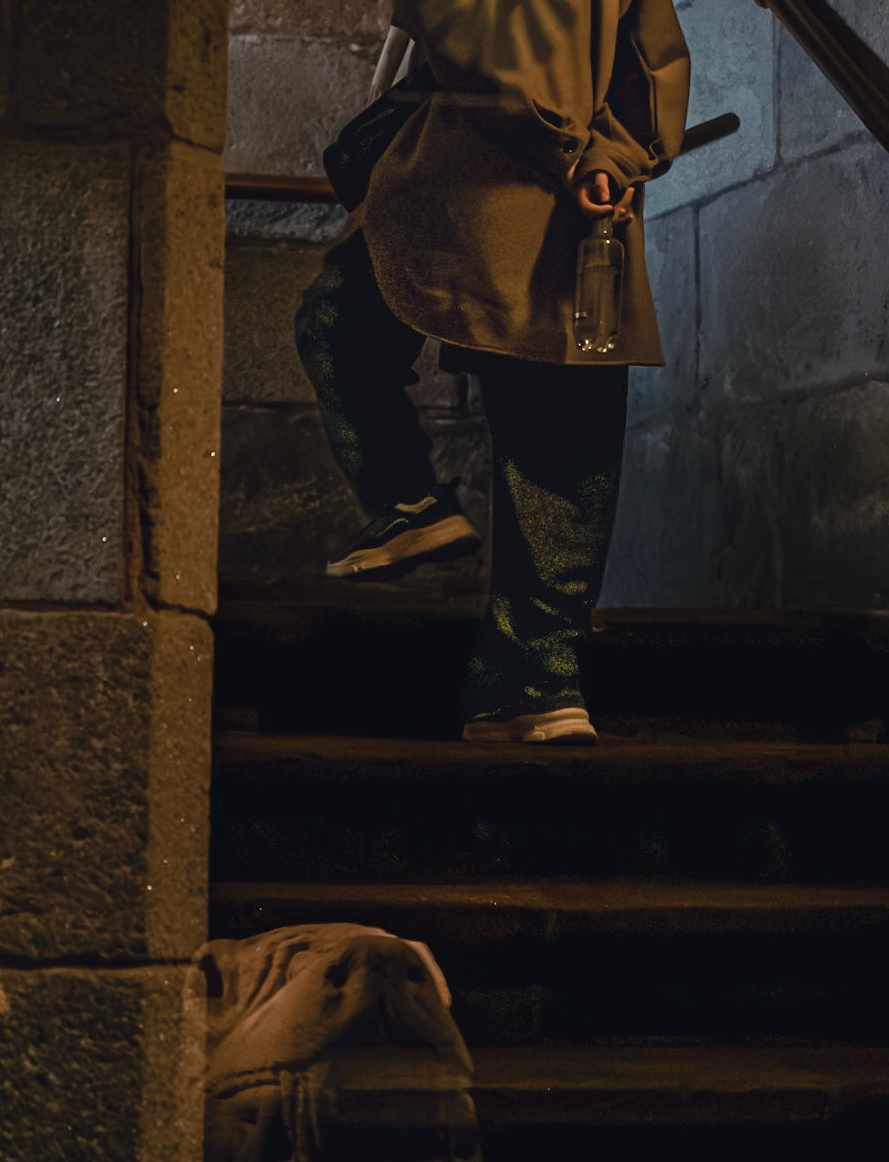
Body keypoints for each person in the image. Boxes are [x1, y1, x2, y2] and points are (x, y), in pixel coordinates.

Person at [295, 0, 690, 744]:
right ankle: (539, 683)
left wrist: (565, 149)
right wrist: (608, 157)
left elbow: (473, 37)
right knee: (562, 440)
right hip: (582, 205)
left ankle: (410, 501)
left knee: (338, 323)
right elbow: (654, 65)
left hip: (473, 178)